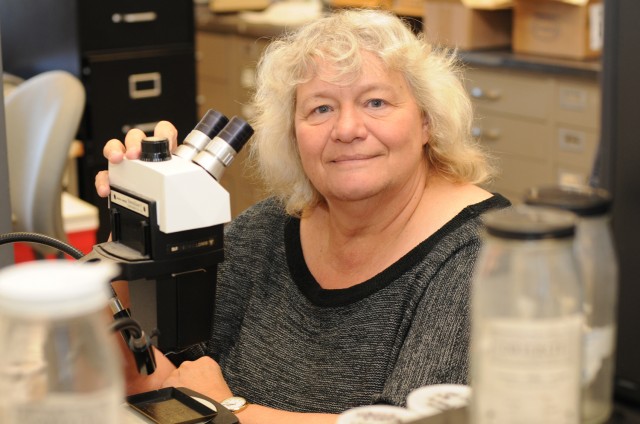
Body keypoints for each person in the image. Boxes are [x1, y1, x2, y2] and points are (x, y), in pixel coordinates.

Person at [96, 8, 510, 423]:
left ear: (426, 122)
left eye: (376, 101)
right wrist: (136, 232)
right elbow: (157, 375)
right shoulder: (268, 230)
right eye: (321, 109)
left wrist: (233, 412)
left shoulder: (481, 253)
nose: (347, 128)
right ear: (293, 136)